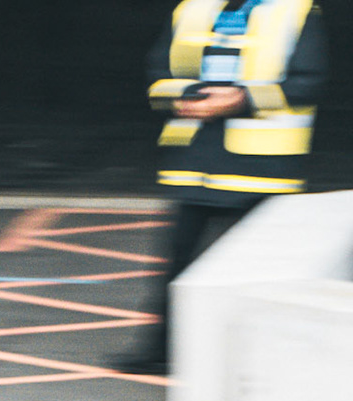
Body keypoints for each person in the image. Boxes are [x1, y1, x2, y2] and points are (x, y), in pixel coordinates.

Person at [119, 0, 328, 373]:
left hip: (263, 168)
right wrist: (188, 98)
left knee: (264, 274)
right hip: (195, 164)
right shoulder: (192, 8)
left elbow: (308, 82)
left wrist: (240, 99)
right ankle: (160, 352)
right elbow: (159, 72)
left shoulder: (296, 10)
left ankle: (266, 358)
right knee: (177, 265)